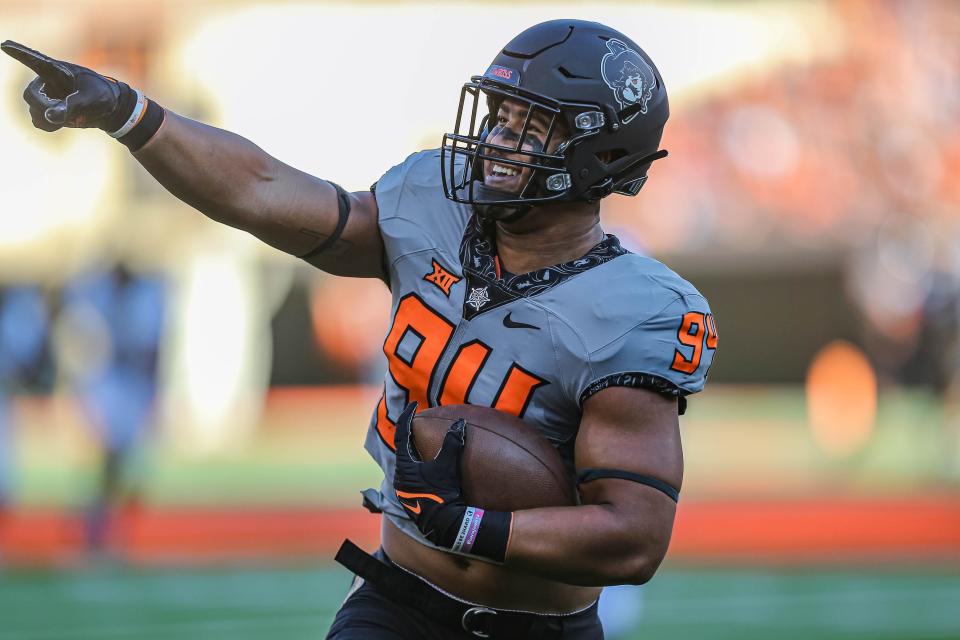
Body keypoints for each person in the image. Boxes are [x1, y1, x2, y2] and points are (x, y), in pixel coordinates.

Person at [4, 18, 717, 639]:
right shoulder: (431, 204)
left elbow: (633, 539)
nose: (497, 139)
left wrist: (472, 525)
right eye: (498, 115)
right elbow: (260, 189)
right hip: (395, 603)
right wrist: (129, 114)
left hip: (541, 627)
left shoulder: (633, 310)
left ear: (600, 155)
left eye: (528, 128)